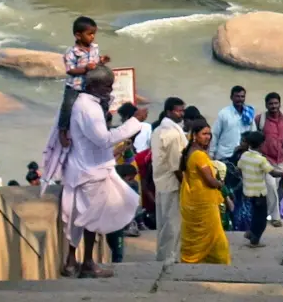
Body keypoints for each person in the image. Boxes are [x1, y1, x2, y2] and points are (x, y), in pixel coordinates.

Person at [60, 65, 147, 278]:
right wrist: (135, 122)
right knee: (91, 218)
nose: (110, 90)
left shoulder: (84, 103)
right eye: (106, 86)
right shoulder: (89, 109)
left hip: (85, 167)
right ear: (93, 86)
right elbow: (103, 139)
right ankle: (87, 262)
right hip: (91, 170)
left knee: (80, 216)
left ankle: (72, 261)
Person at [179, 119, 231, 264]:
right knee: (217, 237)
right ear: (195, 135)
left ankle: (195, 262)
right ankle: (221, 264)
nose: (208, 137)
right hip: (204, 202)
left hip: (195, 198)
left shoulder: (189, 151)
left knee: (199, 235)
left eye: (209, 134)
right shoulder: (199, 155)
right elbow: (210, 180)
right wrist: (220, 184)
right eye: (204, 134)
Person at [58, 16, 110, 147]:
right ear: (78, 35)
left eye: (94, 34)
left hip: (92, 85)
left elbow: (95, 62)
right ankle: (62, 131)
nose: (93, 37)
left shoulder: (94, 48)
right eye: (89, 34)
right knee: (68, 107)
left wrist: (102, 61)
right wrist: (85, 69)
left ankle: (102, 125)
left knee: (104, 102)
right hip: (76, 85)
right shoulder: (71, 52)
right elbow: (70, 70)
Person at [150, 97, 187, 262]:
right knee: (172, 224)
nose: (182, 114)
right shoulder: (172, 133)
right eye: (178, 111)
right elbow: (176, 164)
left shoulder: (159, 130)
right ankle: (168, 258)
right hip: (172, 182)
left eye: (182, 110)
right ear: (168, 112)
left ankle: (164, 256)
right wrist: (185, 183)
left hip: (161, 181)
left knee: (164, 223)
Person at [238, 131, 283, 247]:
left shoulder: (244, 156)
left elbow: (239, 168)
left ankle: (251, 232)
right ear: (261, 145)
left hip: (248, 192)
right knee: (262, 218)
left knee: (255, 214)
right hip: (259, 192)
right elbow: (273, 173)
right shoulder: (261, 160)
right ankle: (255, 239)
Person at [255, 92, 283, 227]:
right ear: (266, 105)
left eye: (276, 103)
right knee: (270, 187)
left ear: (280, 104)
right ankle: (275, 218)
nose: (273, 106)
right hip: (267, 160)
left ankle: (268, 215)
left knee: (278, 190)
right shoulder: (260, 120)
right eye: (270, 104)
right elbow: (255, 140)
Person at [211, 86, 256, 162]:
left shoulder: (249, 113)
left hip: (242, 155)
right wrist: (211, 154)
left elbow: (253, 133)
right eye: (237, 96)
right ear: (231, 97)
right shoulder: (224, 113)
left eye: (242, 96)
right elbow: (215, 134)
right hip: (225, 155)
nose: (240, 99)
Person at [106, 163, 140, 263]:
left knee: (118, 247)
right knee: (115, 244)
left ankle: (117, 262)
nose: (132, 182)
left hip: (119, 222)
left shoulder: (132, 186)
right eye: (130, 179)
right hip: (112, 220)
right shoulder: (112, 185)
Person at [212, 160, 235, 231]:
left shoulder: (223, 189)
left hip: (221, 222)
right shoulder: (223, 188)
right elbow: (231, 208)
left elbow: (231, 207)